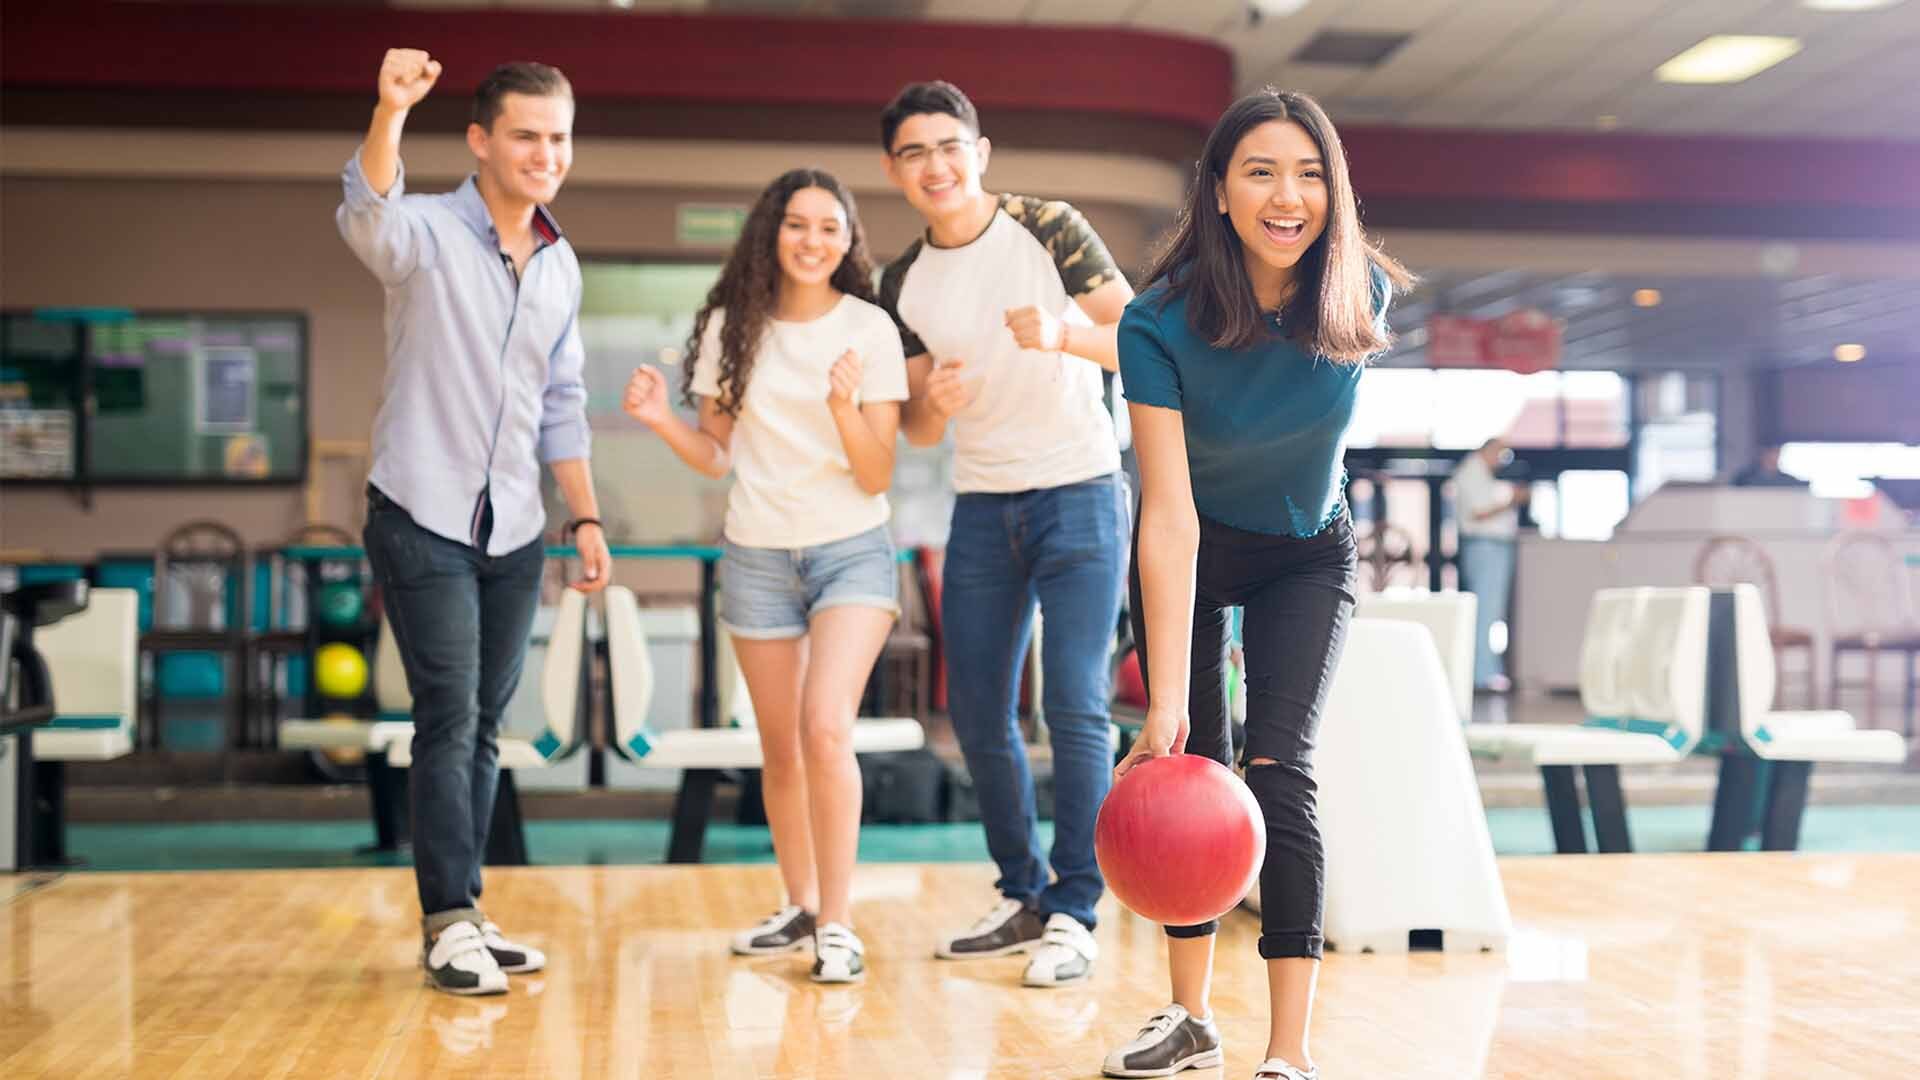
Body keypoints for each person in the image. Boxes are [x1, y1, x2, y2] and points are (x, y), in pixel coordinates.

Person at [1111, 88, 1412, 1080]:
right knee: (1189, 766)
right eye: (1261, 172)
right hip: (1196, 542)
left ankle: (1288, 1051)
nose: (1289, 196)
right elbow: (1166, 510)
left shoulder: (1359, 291)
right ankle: (1191, 1016)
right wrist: (1160, 705)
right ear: (1221, 193)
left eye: (1310, 173)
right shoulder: (1157, 322)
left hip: (1304, 550)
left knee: (1281, 774)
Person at [336, 49, 611, 996]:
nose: (546, 153)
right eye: (527, 135)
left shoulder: (560, 264)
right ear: (482, 141)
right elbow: (366, 215)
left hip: (515, 527)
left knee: (487, 724)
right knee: (449, 718)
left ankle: (467, 911)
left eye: (559, 137)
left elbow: (562, 399)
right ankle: (447, 917)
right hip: (421, 513)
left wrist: (585, 518)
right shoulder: (423, 233)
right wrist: (387, 111)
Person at [875, 80, 1134, 988]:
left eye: (949, 146)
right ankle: (1022, 891)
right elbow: (913, 427)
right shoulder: (899, 279)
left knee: (1074, 705)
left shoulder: (1048, 226)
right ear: (895, 171)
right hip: (981, 506)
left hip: (1081, 491)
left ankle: (1075, 907)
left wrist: (1065, 334)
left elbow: (1142, 339)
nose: (935, 166)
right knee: (978, 714)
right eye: (914, 153)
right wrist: (927, 408)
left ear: (978, 151)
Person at [623, 168, 907, 983]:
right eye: (797, 225)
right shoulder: (728, 325)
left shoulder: (869, 329)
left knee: (826, 728)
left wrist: (845, 408)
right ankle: (802, 904)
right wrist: (657, 422)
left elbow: (877, 473)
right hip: (755, 555)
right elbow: (716, 457)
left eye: (829, 226)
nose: (813, 240)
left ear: (848, 240)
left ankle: (840, 923)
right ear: (770, 233)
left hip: (851, 548)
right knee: (779, 746)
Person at [1452, 437, 1528, 692]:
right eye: (1501, 454)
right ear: (1488, 450)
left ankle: (1485, 671)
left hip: (1492, 545)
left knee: (1490, 609)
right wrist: (1511, 501)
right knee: (1484, 609)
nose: (1502, 460)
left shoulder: (1484, 475)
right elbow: (1479, 512)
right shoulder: (1471, 473)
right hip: (1484, 545)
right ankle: (1480, 675)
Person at [1731, 444, 1805, 487]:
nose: (1773, 457)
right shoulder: (1744, 479)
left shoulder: (1788, 481)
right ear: (1761, 455)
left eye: (1776, 453)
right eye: (1769, 454)